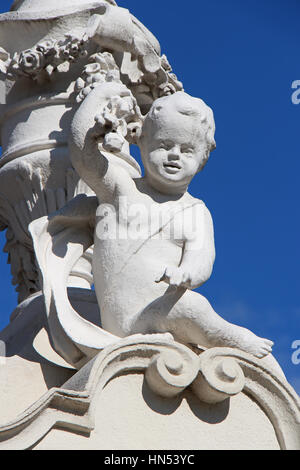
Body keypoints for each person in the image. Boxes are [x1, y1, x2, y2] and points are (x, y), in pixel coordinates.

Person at [69, 89, 273, 358]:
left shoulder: (196, 211)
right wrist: (98, 99)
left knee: (191, 306)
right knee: (191, 309)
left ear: (202, 160)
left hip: (161, 307)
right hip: (125, 317)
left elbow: (202, 258)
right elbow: (84, 157)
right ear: (141, 142)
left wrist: (187, 273)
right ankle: (234, 338)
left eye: (187, 150)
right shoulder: (122, 190)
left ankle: (229, 338)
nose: (174, 155)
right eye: (164, 145)